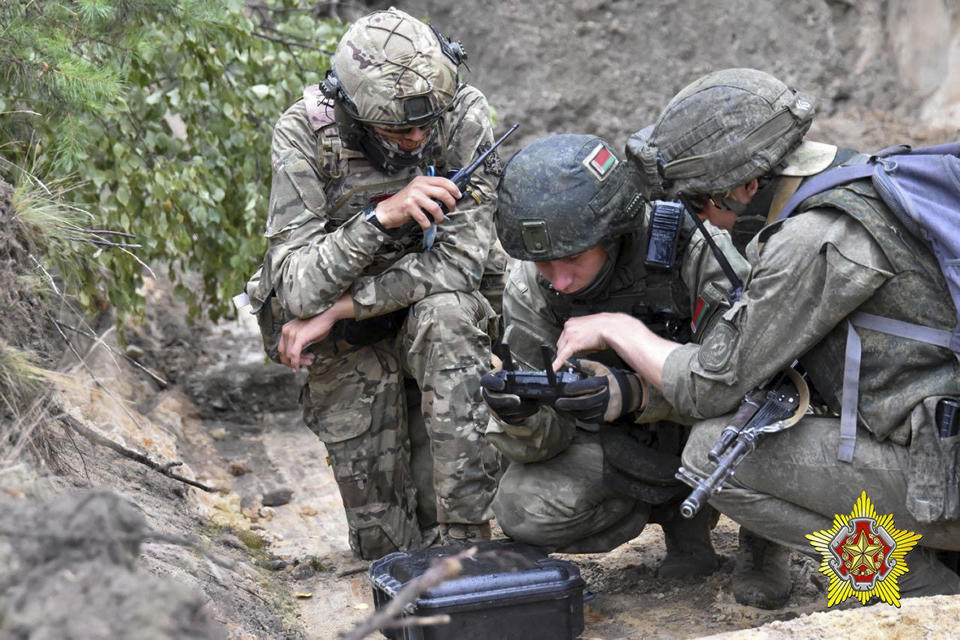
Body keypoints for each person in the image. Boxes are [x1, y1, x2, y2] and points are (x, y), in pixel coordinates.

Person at [554, 68, 960, 605]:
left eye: (699, 204)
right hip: (940, 443)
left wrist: (618, 328)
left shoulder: (817, 237)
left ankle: (921, 591)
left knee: (713, 457)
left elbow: (710, 386)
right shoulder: (871, 180)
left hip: (945, 472)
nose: (704, 221)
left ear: (747, 185)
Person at [243, 8, 505, 560]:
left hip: (422, 318)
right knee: (384, 548)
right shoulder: (305, 133)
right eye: (397, 129)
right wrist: (381, 218)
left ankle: (466, 543)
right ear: (355, 115)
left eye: (424, 126)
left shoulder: (461, 115)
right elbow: (295, 289)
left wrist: (343, 307)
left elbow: (460, 265)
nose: (415, 140)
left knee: (451, 313)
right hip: (350, 350)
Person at [479, 134, 750, 577]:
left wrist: (636, 393)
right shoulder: (533, 285)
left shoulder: (694, 250)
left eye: (572, 259)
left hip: (713, 430)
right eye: (544, 263)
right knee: (521, 510)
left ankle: (758, 546)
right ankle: (647, 510)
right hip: (616, 444)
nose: (559, 280)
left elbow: (748, 381)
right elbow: (541, 446)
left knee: (759, 432)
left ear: (614, 233)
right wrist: (522, 418)